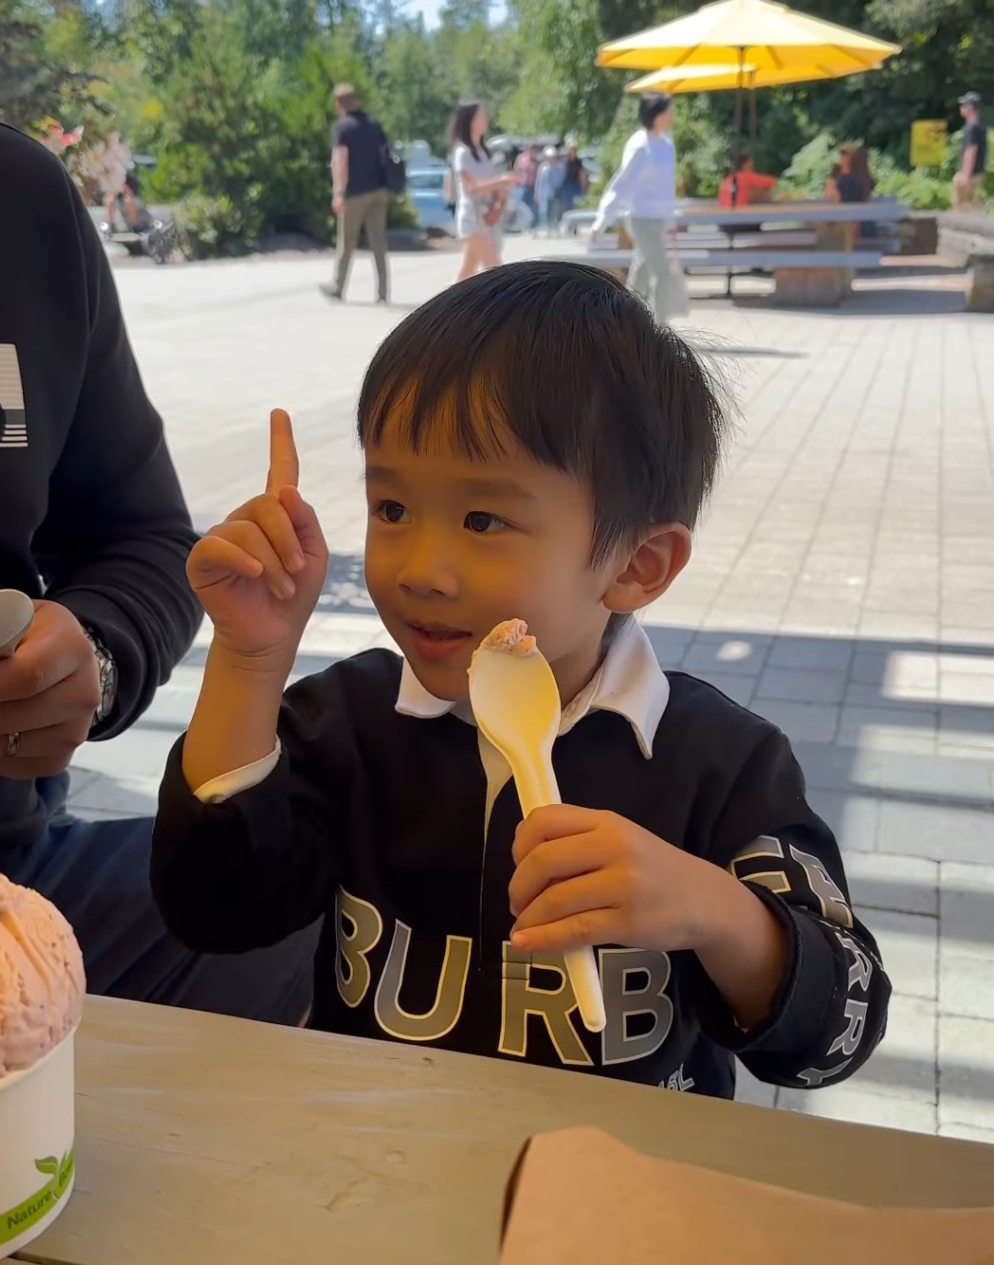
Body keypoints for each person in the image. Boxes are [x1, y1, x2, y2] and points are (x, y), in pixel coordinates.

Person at [151, 259, 890, 1100]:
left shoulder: (719, 764)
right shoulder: (344, 725)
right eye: (392, 508)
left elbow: (838, 1036)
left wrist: (717, 912)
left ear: (636, 565)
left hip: (618, 1187)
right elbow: (211, 910)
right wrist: (249, 661)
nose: (422, 569)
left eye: (482, 519)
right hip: (377, 1169)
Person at [0, 113, 312, 1025]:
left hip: (4, 877)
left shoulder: (13, 197)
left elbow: (145, 536)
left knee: (356, 910)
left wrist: (93, 659)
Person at [591, 94, 677, 319]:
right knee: (660, 271)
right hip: (642, 218)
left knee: (644, 268)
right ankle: (660, 327)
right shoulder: (640, 144)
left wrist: (670, 221)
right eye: (668, 111)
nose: (672, 116)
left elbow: (667, 189)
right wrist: (602, 220)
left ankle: (624, 316)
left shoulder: (667, 144)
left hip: (659, 219)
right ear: (655, 114)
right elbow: (622, 183)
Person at [321, 83, 390, 305]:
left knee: (347, 243)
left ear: (338, 105)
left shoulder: (343, 128)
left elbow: (340, 159)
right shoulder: (373, 124)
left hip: (355, 193)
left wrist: (338, 192)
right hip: (379, 191)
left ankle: (338, 288)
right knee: (378, 243)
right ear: (356, 101)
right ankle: (382, 292)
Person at [448, 101, 517, 281]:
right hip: (472, 218)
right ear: (470, 120)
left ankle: (451, 308)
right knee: (495, 271)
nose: (486, 119)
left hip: (486, 218)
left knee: (466, 273)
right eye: (482, 116)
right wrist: (501, 180)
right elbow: (471, 188)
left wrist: (500, 198)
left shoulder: (484, 152)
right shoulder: (462, 153)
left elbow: (491, 186)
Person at [954, 92, 987, 212]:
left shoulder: (972, 127)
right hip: (977, 171)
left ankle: (985, 215)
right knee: (968, 203)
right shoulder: (979, 125)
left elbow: (971, 151)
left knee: (962, 204)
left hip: (970, 173)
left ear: (971, 107)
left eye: (964, 105)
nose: (961, 108)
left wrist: (965, 174)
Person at [535, 146, 563, 236]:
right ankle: (547, 229)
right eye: (549, 157)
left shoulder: (559, 168)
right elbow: (539, 181)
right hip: (545, 193)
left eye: (552, 157)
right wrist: (537, 193)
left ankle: (555, 229)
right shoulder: (543, 168)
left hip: (555, 194)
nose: (551, 159)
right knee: (544, 212)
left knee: (555, 212)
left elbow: (560, 180)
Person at [560, 141, 589, 213]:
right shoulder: (565, 162)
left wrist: (584, 189)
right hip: (567, 187)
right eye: (571, 150)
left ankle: (575, 222)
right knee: (567, 206)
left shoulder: (579, 163)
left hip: (575, 186)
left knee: (575, 205)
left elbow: (582, 175)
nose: (572, 152)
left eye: (574, 150)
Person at [513, 143, 540, 221]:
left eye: (534, 150)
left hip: (532, 187)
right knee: (520, 205)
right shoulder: (521, 159)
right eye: (530, 149)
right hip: (522, 186)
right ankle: (521, 222)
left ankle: (532, 224)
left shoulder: (537, 163)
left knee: (531, 206)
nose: (532, 151)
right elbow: (516, 171)